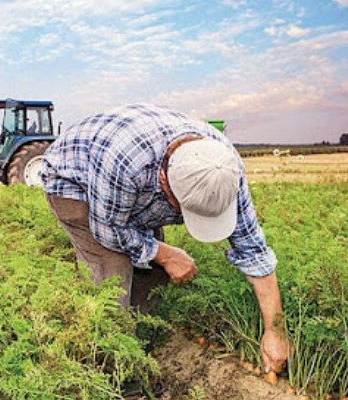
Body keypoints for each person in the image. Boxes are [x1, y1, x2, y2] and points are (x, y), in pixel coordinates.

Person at [41, 103, 289, 374]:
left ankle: (142, 348)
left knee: (153, 274)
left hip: (130, 188)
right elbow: (109, 231)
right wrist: (167, 254)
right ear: (163, 181)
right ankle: (116, 372)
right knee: (113, 279)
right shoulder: (126, 164)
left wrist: (275, 331)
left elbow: (253, 251)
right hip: (75, 183)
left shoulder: (223, 168)